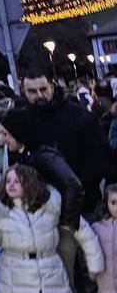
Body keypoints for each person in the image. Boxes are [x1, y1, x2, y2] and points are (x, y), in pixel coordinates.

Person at [0, 106, 91, 293]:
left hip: (59, 233)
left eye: (6, 134)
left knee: (64, 292)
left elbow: (74, 187)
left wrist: (65, 225)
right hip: (48, 231)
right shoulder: (31, 152)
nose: (4, 139)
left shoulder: (42, 154)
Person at [19, 68, 114, 214]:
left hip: (82, 204)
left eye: (43, 89)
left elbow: (101, 157)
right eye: (32, 91)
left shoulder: (79, 116)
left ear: (51, 86)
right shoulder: (20, 120)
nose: (39, 95)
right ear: (24, 92)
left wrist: (77, 183)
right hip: (38, 208)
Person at [89, 183, 117, 293]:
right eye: (113, 202)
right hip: (104, 284)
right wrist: (93, 273)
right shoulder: (97, 228)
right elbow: (91, 254)